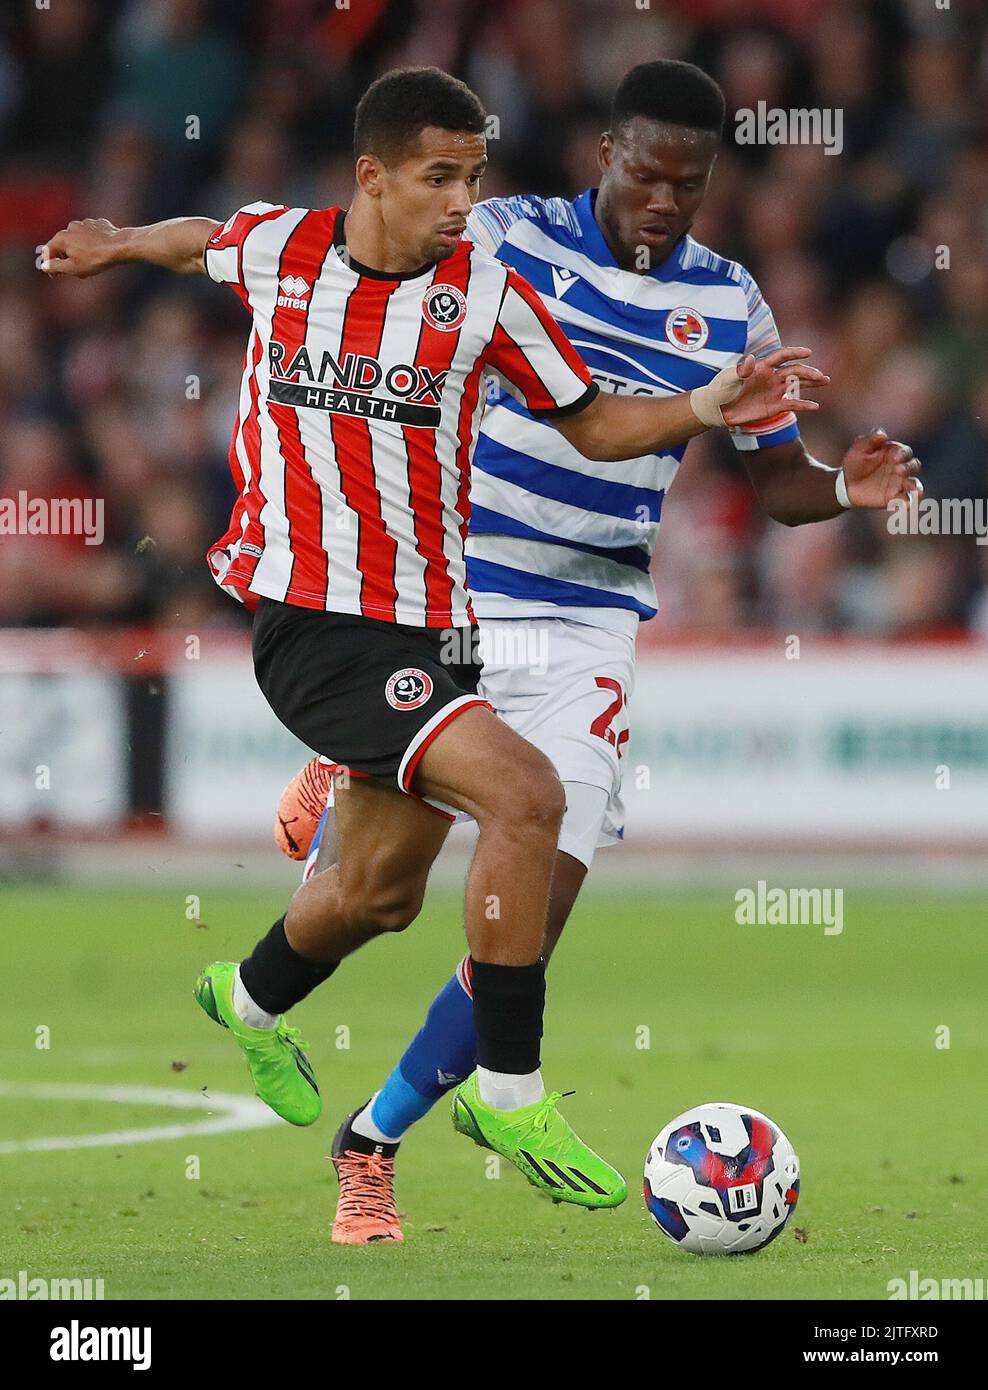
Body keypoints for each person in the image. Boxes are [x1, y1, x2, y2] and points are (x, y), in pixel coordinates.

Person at [41, 65, 827, 1218]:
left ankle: (245, 999)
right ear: (374, 177)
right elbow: (201, 237)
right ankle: (509, 1087)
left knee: (380, 894)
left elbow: (598, 424)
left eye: (476, 177)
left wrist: (708, 407)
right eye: (440, 177)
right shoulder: (285, 250)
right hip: (313, 623)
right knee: (523, 796)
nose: (464, 200)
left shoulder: (488, 298)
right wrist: (113, 237)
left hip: (436, 628)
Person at [270, 62, 920, 1244]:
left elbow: (775, 484)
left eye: (692, 182)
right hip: (453, 588)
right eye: (647, 173)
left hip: (590, 621)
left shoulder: (731, 303)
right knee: (370, 898)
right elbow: (364, 294)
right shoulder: (499, 234)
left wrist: (842, 487)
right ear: (604, 150)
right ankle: (339, 778)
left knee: (531, 915)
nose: (666, 200)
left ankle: (371, 1140)